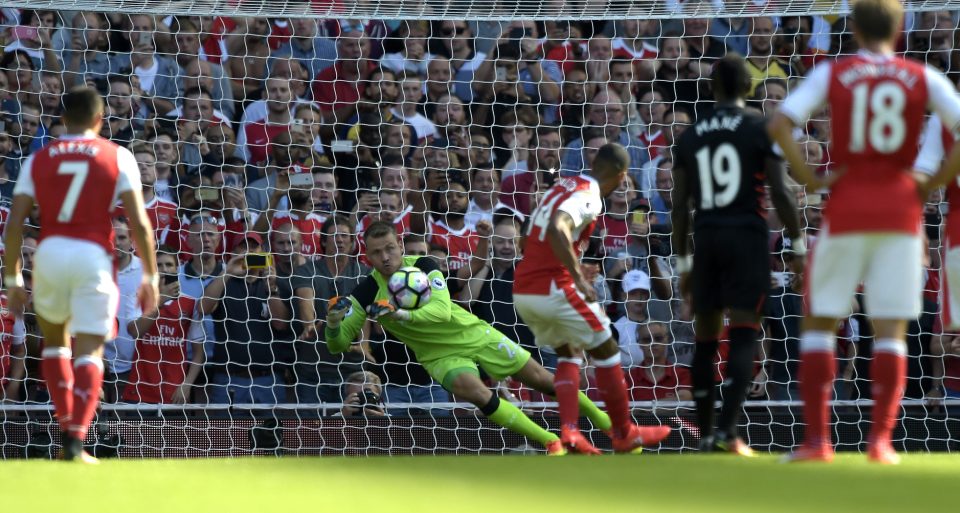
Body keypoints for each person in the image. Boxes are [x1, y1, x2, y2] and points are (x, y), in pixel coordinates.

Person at [768, 0, 960, 464]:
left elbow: (778, 122)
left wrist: (810, 179)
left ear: (852, 29)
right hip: (901, 212)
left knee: (820, 321)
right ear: (900, 30)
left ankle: (816, 441)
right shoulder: (923, 77)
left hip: (848, 204)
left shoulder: (832, 73)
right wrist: (931, 183)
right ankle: (881, 442)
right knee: (890, 328)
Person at [324, 221, 614, 455]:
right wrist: (335, 324)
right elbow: (336, 345)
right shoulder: (364, 292)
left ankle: (605, 423)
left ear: (400, 245)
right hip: (439, 356)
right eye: (377, 253)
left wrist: (400, 315)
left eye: (389, 248)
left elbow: (439, 311)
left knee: (543, 379)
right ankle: (550, 442)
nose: (385, 257)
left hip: (472, 334)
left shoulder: (424, 266)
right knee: (476, 393)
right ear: (367, 256)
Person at [1, 86, 160, 462]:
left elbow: (14, 227)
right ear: (99, 119)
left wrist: (13, 281)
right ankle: (76, 440)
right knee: (90, 350)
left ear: (62, 118)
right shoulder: (117, 155)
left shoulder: (39, 158)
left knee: (56, 344)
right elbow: (138, 221)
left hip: (51, 253)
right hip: (92, 255)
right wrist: (150, 276)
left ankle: (63, 429)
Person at [671, 54, 803, 456]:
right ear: (749, 87)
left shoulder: (691, 134)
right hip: (747, 237)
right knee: (745, 333)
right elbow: (780, 191)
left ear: (712, 88)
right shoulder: (761, 127)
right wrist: (797, 245)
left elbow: (679, 204)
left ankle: (707, 434)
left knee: (706, 340)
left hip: (707, 238)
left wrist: (684, 262)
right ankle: (728, 433)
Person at [513, 142, 672, 454]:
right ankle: (625, 433)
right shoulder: (588, 195)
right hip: (553, 287)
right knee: (607, 350)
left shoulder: (562, 185)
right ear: (622, 174)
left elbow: (531, 229)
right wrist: (573, 275)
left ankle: (570, 431)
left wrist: (563, 261)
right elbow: (559, 227)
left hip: (525, 290)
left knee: (569, 353)